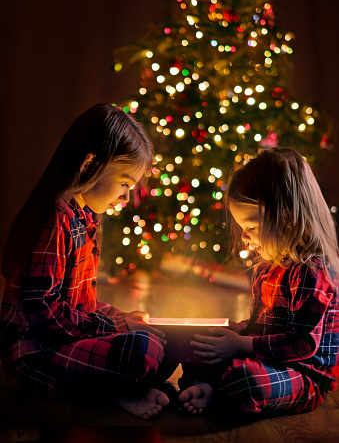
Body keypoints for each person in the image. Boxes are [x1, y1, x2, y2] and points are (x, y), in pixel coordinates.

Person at [0, 103, 170, 420]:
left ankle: (118, 385)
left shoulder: (85, 219)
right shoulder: (57, 218)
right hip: (36, 357)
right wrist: (118, 326)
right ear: (90, 164)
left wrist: (122, 317)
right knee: (142, 352)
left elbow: (80, 306)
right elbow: (45, 310)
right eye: (124, 183)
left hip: (64, 342)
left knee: (160, 341)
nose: (126, 197)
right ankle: (111, 392)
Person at [178, 147, 339, 416]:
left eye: (251, 227)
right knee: (199, 346)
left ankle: (213, 390)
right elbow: (259, 329)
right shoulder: (267, 268)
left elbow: (303, 344)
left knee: (247, 381)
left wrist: (241, 345)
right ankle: (204, 385)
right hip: (264, 357)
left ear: (286, 218)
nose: (244, 237)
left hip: (302, 374)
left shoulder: (312, 272)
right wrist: (230, 332)